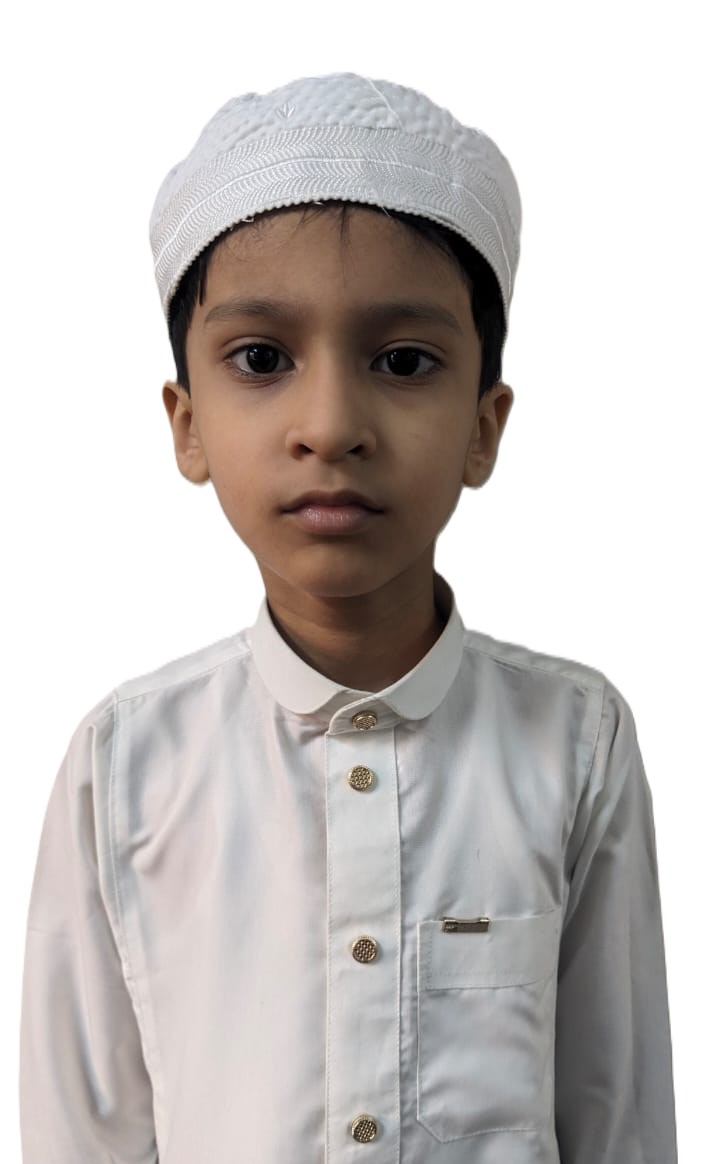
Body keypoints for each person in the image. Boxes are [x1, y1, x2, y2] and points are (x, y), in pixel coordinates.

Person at [18, 72, 678, 1162]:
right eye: (262, 360)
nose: (330, 424)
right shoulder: (126, 766)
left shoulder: (575, 744)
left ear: (484, 425)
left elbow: (623, 1122)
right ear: (187, 423)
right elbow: (78, 1137)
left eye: (403, 362)